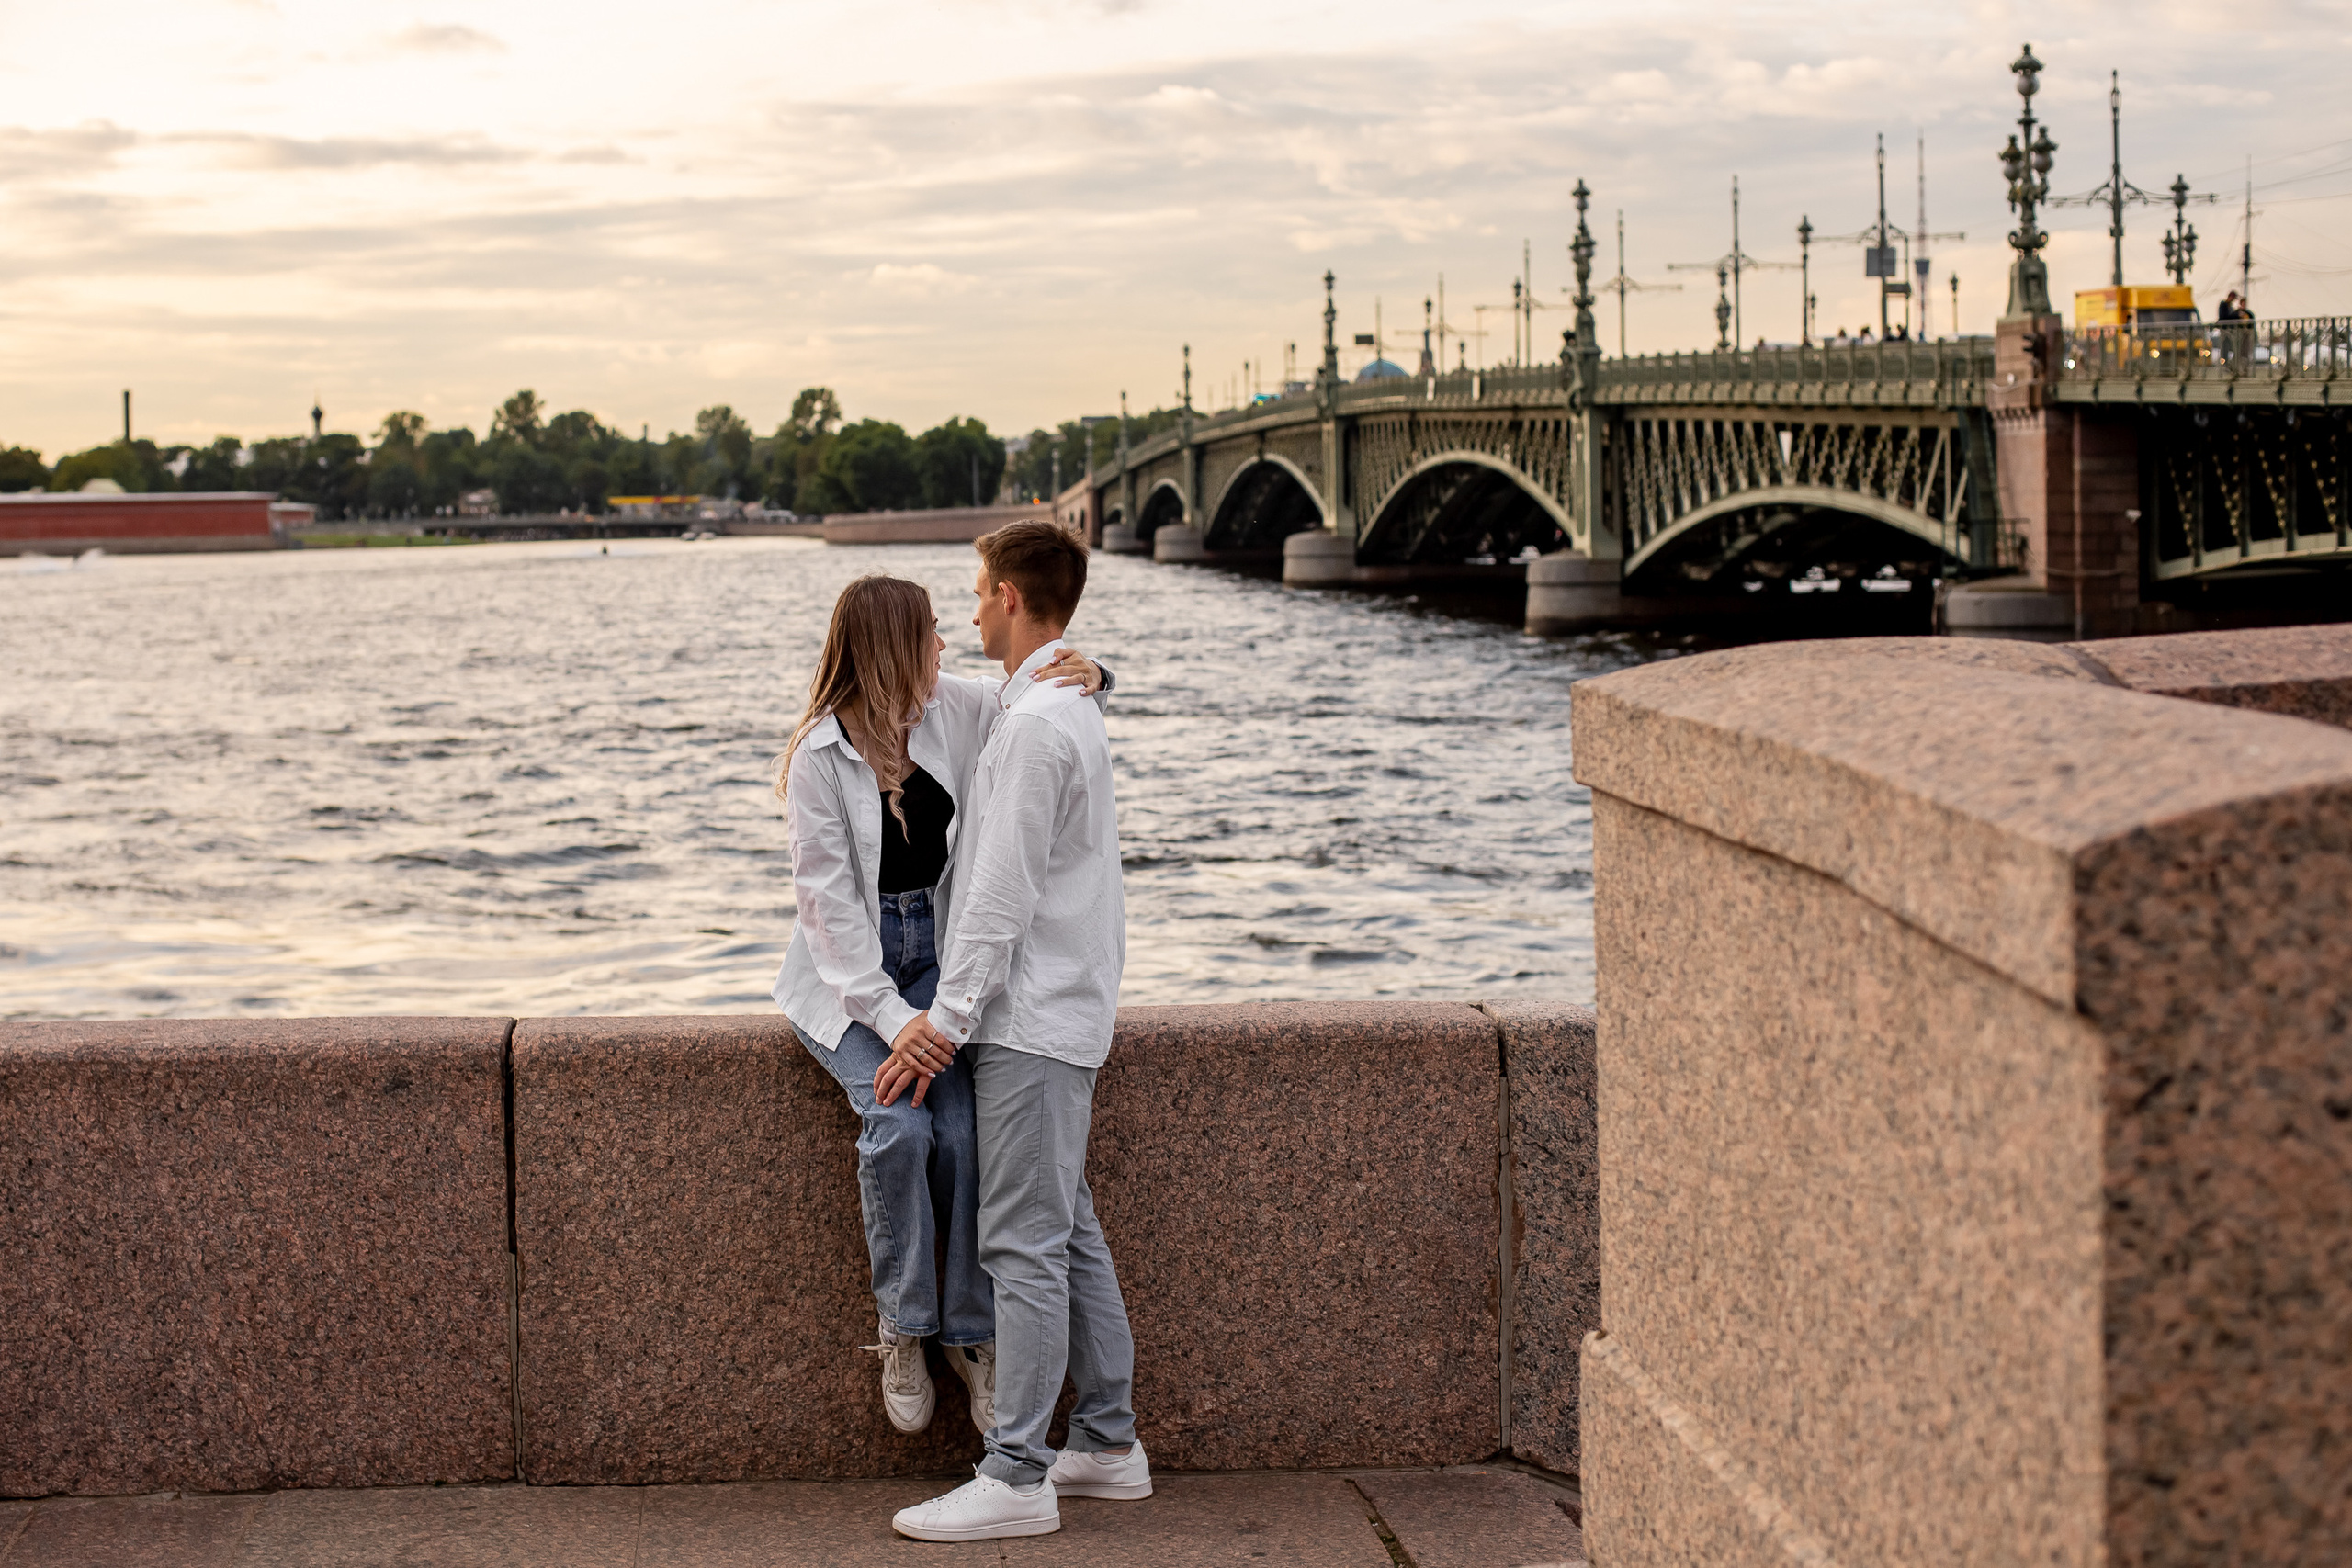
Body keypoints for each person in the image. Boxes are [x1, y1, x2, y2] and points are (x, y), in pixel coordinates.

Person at [771, 573, 1111, 1439]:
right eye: (929, 633)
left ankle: (972, 1335)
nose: (946, 645)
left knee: (963, 1133)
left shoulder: (956, 709)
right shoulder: (820, 756)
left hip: (944, 957)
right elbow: (830, 915)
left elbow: (1041, 710)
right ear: (893, 649)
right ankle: (904, 1325)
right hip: (854, 980)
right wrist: (899, 1026)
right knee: (899, 1125)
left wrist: (1099, 676)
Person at [887, 521, 1145, 1543]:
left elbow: (998, 893)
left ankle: (1017, 1472)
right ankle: (1110, 1445)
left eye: (975, 592)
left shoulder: (1038, 723)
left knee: (1022, 1243)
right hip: (1058, 1009)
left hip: (1031, 1015)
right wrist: (1101, 670)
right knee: (1066, 1224)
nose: (969, 609)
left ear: (1003, 594)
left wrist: (942, 1022)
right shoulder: (1046, 703)